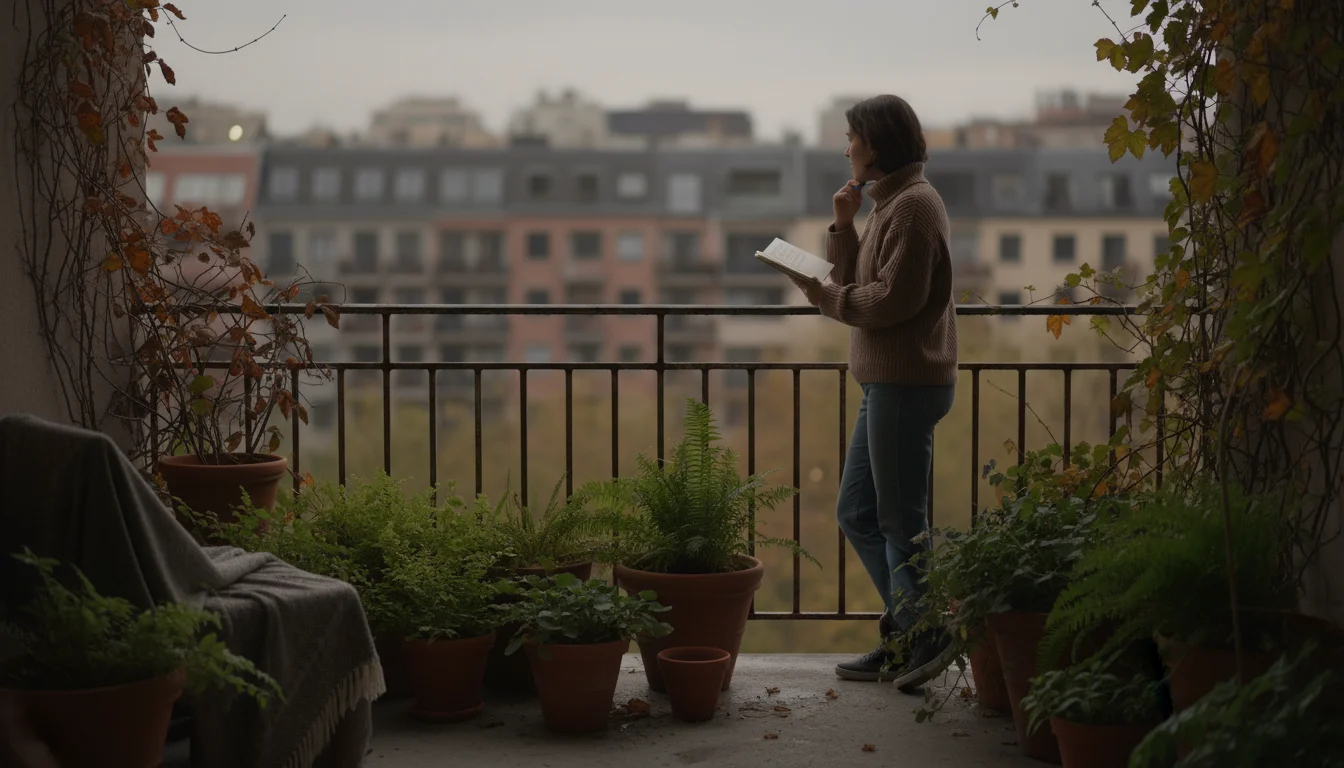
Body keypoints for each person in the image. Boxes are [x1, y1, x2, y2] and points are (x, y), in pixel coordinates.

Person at [790, 94, 958, 690]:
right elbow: (865, 279)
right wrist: (842, 226)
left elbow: (891, 300)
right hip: (886, 384)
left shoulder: (914, 207)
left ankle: (927, 634)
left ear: (877, 145)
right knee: (859, 512)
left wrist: (821, 295)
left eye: (853, 139)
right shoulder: (891, 204)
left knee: (897, 518)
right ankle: (915, 631)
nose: (847, 148)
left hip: (905, 384)